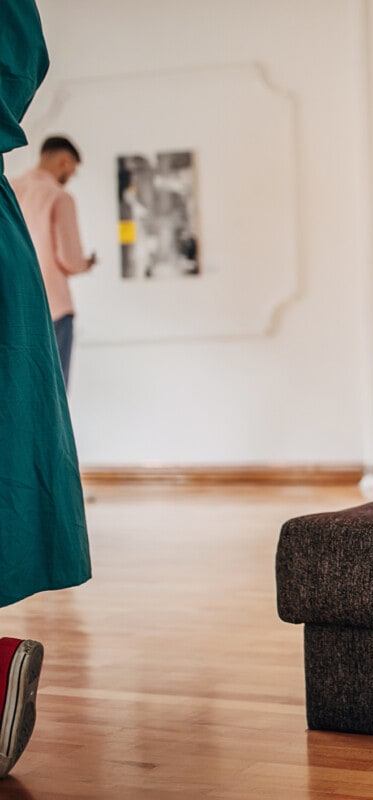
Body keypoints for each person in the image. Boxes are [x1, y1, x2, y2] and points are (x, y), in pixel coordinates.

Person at [0, 0, 92, 779]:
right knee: (26, 420)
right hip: (45, 304)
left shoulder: (26, 184)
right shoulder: (54, 194)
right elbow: (67, 257)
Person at [12, 134, 97, 387]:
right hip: (54, 309)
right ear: (64, 161)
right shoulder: (59, 197)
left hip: (14, 307)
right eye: (72, 169)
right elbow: (69, 259)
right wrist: (85, 264)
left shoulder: (9, 189)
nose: (70, 176)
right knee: (53, 394)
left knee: (20, 394)